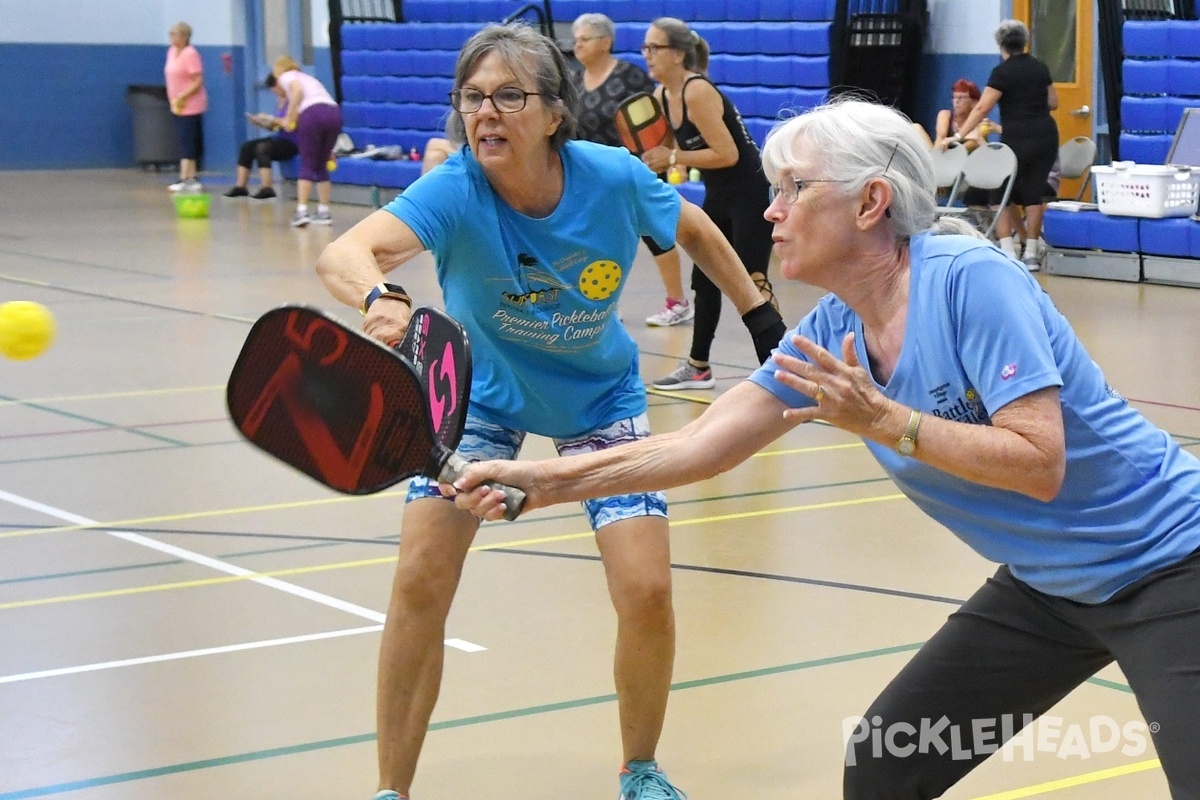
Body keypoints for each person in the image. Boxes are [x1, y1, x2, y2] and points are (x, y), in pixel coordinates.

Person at [446, 98, 1200, 800]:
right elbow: (702, 447)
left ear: (871, 203)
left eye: (793, 189)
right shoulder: (833, 332)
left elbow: (1040, 464)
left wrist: (887, 420)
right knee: (884, 764)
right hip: (1050, 589)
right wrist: (541, 479)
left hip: (1171, 568)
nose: (770, 210)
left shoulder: (971, 281)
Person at [312, 23, 785, 800]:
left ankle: (640, 769)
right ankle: (391, 790)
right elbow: (345, 252)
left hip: (598, 400)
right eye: (472, 98)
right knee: (419, 581)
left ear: (554, 112)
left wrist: (759, 316)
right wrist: (381, 295)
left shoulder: (610, 176)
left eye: (508, 96)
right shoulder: (455, 188)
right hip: (480, 401)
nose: (486, 113)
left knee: (647, 592)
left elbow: (693, 227)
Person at [640, 18, 780, 390]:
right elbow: (680, 152)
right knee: (705, 279)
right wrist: (671, 164)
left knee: (753, 279)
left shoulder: (696, 91)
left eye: (655, 47)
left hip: (751, 191)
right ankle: (698, 366)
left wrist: (672, 159)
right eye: (645, 48)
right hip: (720, 193)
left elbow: (727, 153)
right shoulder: (660, 97)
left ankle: (781, 366)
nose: (647, 55)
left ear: (678, 54)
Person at [570, 13, 693, 328]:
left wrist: (653, 164)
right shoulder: (573, 80)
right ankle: (603, 305)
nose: (577, 45)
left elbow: (655, 123)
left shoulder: (629, 77)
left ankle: (677, 303)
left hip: (634, 170)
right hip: (592, 175)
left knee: (655, 235)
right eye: (576, 39)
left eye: (583, 39)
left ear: (605, 42)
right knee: (596, 240)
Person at [953, 20, 1058, 269]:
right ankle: (1031, 252)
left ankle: (1007, 250)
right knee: (1034, 191)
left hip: (1017, 136)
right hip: (1045, 134)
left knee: (999, 189)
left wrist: (959, 136)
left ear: (1001, 44)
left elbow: (981, 108)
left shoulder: (1002, 72)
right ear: (1025, 42)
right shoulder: (1040, 67)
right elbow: (1053, 102)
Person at [272, 55, 344, 227]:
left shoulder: (287, 76)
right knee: (322, 162)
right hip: (334, 113)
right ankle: (324, 211)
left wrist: (289, 117)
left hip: (312, 115)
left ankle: (302, 211)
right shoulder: (309, 78)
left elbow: (297, 92)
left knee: (307, 163)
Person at [223, 74, 298, 199]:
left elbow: (289, 124)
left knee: (263, 148)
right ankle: (241, 186)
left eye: (277, 88)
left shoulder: (294, 101)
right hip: (280, 137)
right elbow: (275, 127)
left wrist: (270, 118)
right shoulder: (281, 101)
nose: (275, 92)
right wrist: (260, 123)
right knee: (247, 147)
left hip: (294, 141)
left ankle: (267, 187)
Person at [164, 22, 207, 192]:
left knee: (187, 140)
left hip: (190, 104)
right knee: (184, 138)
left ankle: (184, 178)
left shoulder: (191, 54)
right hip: (176, 104)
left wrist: (183, 95)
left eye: (174, 34)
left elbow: (198, 80)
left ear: (184, 36)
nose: (171, 37)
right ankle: (192, 176)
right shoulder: (172, 52)